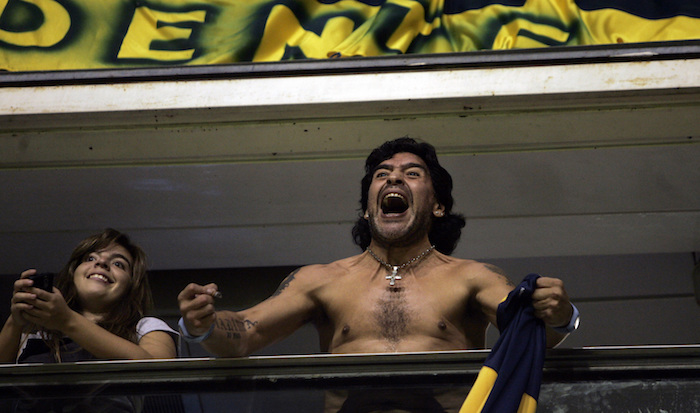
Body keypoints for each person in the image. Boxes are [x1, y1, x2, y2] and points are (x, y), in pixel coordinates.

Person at [178, 137, 579, 357]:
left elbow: (535, 333)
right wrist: (204, 325)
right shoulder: (321, 280)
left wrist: (559, 314)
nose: (393, 180)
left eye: (412, 173)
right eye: (382, 175)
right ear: (368, 209)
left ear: (438, 206)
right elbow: (246, 333)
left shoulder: (471, 277)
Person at [0, 228, 178, 363]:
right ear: (73, 273)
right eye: (90, 259)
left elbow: (160, 369)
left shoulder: (145, 327)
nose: (101, 263)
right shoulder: (38, 332)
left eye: (118, 264)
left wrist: (67, 321)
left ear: (132, 285)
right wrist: (15, 322)